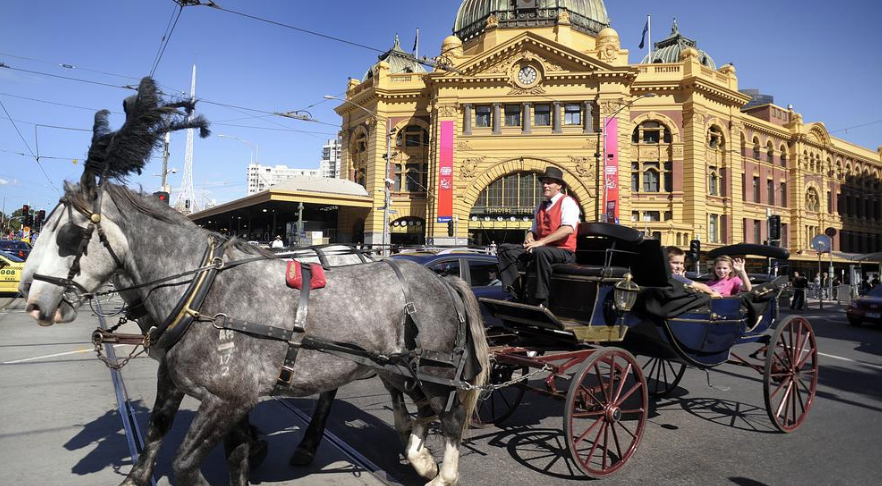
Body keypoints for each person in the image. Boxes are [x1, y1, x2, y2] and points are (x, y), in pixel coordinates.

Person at [497, 166, 578, 306]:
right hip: (542, 250)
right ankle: (515, 291)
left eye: (549, 182)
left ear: (559, 185)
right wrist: (530, 236)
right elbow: (533, 229)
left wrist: (540, 242)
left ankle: (541, 299)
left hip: (564, 251)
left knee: (541, 252)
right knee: (505, 250)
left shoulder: (568, 202)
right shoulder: (540, 206)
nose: (545, 185)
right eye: (544, 182)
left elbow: (568, 229)